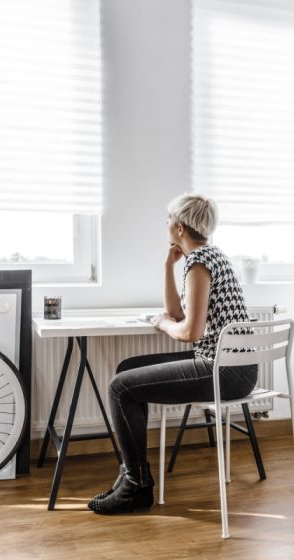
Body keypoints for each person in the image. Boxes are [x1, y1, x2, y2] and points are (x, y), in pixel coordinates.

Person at [88, 193, 257, 515]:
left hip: (222, 371)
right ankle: (131, 474)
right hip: (234, 367)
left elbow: (187, 332)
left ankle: (136, 485)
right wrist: (168, 266)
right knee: (128, 369)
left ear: (179, 227)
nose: (165, 225)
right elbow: (177, 313)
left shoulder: (200, 263)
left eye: (168, 220)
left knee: (120, 388)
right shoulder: (211, 256)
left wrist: (162, 324)